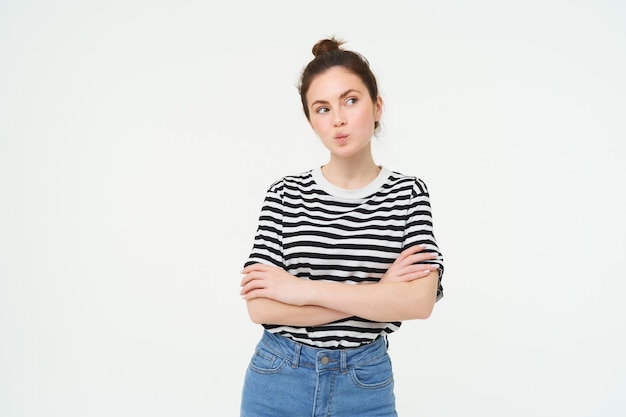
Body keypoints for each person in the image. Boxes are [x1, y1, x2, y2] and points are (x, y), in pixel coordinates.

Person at [239, 36, 444, 417]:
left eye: (351, 100)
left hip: (365, 382)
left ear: (377, 105)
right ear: (310, 120)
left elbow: (418, 301)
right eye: (322, 108)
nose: (338, 119)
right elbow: (261, 306)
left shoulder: (408, 193)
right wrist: (378, 295)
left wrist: (301, 291)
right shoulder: (285, 194)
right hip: (279, 378)